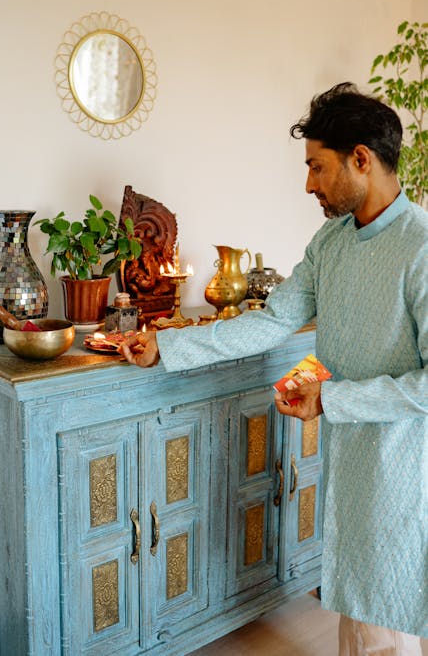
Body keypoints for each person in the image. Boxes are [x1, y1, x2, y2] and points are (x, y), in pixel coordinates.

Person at [120, 82, 427, 656]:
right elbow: (270, 320)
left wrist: (331, 402)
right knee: (356, 602)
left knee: (388, 606)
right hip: (347, 454)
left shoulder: (421, 247)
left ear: (361, 158)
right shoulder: (330, 243)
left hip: (401, 462)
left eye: (317, 167)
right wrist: (167, 347)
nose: (308, 183)